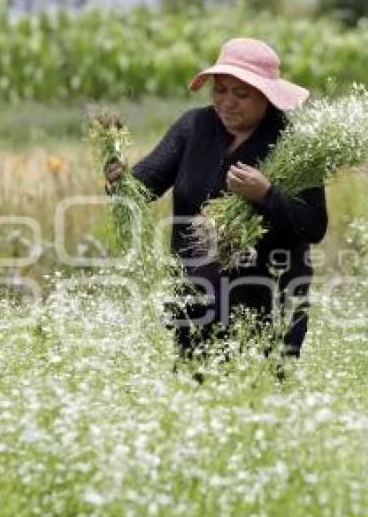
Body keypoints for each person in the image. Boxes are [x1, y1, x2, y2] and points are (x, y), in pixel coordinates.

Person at [105, 37, 327, 370]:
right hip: (196, 296)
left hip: (268, 299)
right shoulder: (194, 127)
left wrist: (267, 194)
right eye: (220, 90)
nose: (227, 102)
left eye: (241, 94)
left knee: (262, 396)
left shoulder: (294, 145)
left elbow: (314, 225)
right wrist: (119, 180)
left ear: (267, 96)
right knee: (195, 396)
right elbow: (143, 188)